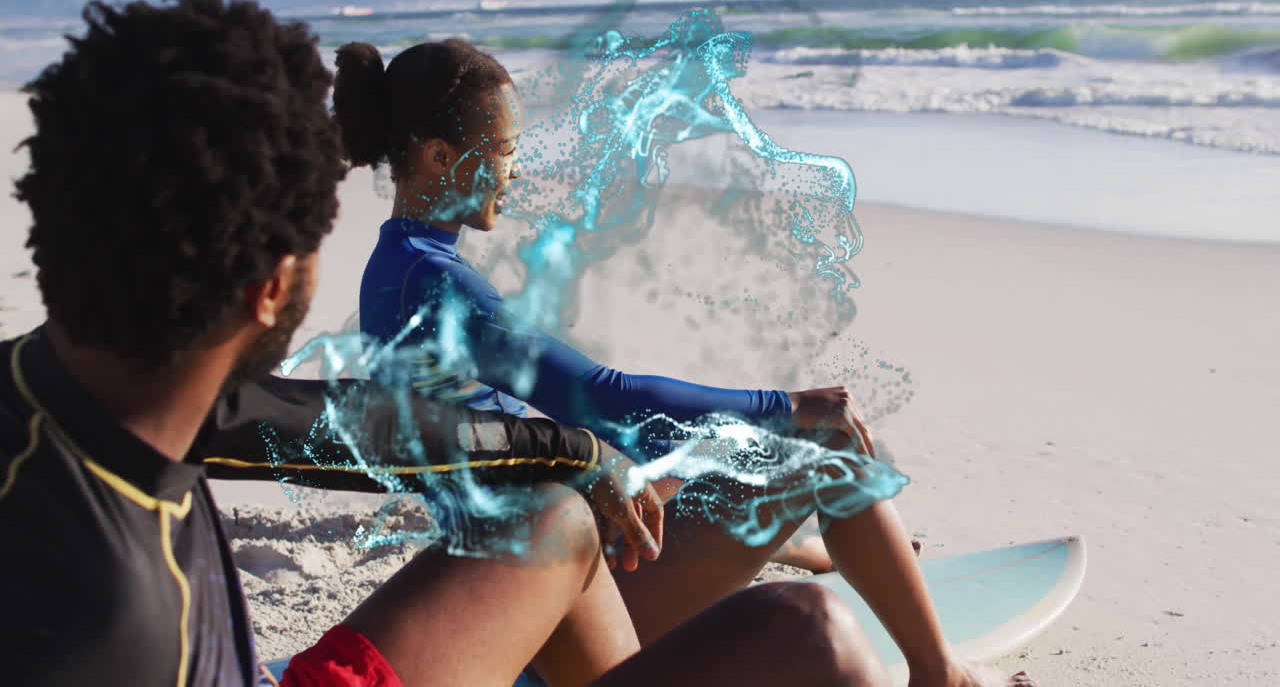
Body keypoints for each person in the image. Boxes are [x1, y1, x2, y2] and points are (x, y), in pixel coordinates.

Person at [0, 0, 902, 687]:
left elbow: (364, 424)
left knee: (557, 511)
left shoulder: (109, 395)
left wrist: (573, 451)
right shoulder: (106, 617)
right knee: (805, 629)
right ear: (272, 287)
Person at [336, 38, 1034, 687]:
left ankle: (805, 548)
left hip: (523, 574)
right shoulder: (437, 283)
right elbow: (600, 396)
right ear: (434, 157)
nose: (515, 170)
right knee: (822, 454)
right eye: (501, 151)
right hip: (548, 619)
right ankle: (941, 675)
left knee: (715, 456)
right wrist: (785, 405)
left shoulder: (395, 267)